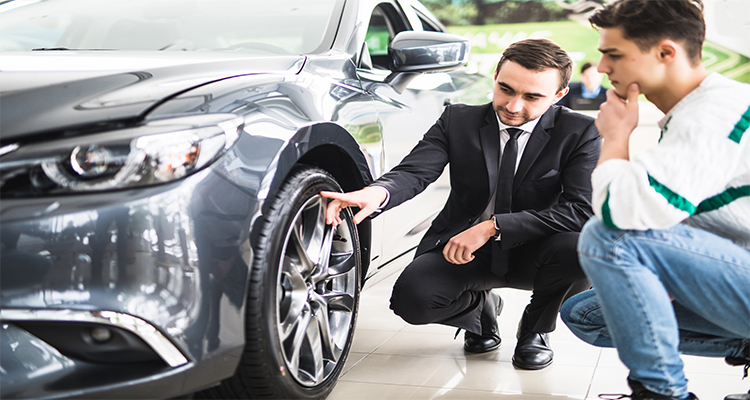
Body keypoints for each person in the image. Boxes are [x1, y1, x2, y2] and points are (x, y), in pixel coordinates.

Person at [323, 38, 601, 370]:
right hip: (464, 248)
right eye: (505, 89)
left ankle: (535, 331)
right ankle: (481, 314)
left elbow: (580, 210)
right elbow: (416, 171)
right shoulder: (458, 120)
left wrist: (494, 227)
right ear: (495, 76)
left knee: (582, 249)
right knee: (412, 302)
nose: (513, 106)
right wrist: (378, 192)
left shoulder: (581, 131)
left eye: (532, 97)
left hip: (540, 251)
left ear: (558, 95)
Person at [558, 0, 750, 399]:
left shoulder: (712, 115)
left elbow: (621, 213)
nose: (604, 67)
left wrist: (614, 137)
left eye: (614, 54)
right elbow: (669, 215)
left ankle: (661, 393)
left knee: (609, 237)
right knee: (586, 315)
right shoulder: (696, 111)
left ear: (666, 53)